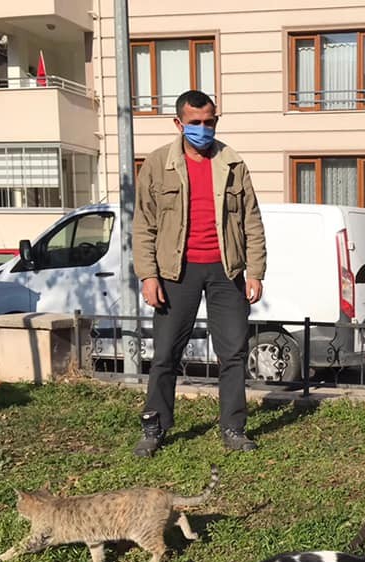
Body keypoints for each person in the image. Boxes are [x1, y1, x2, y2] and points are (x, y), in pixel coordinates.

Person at [132, 89, 266, 457]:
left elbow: (252, 221)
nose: (203, 129)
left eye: (210, 122)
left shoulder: (233, 163)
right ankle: (155, 428)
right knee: (164, 355)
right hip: (176, 272)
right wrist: (148, 275)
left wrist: (255, 271)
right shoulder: (158, 165)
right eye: (195, 123)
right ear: (178, 123)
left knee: (234, 353)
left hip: (227, 271)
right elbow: (143, 225)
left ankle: (233, 428)